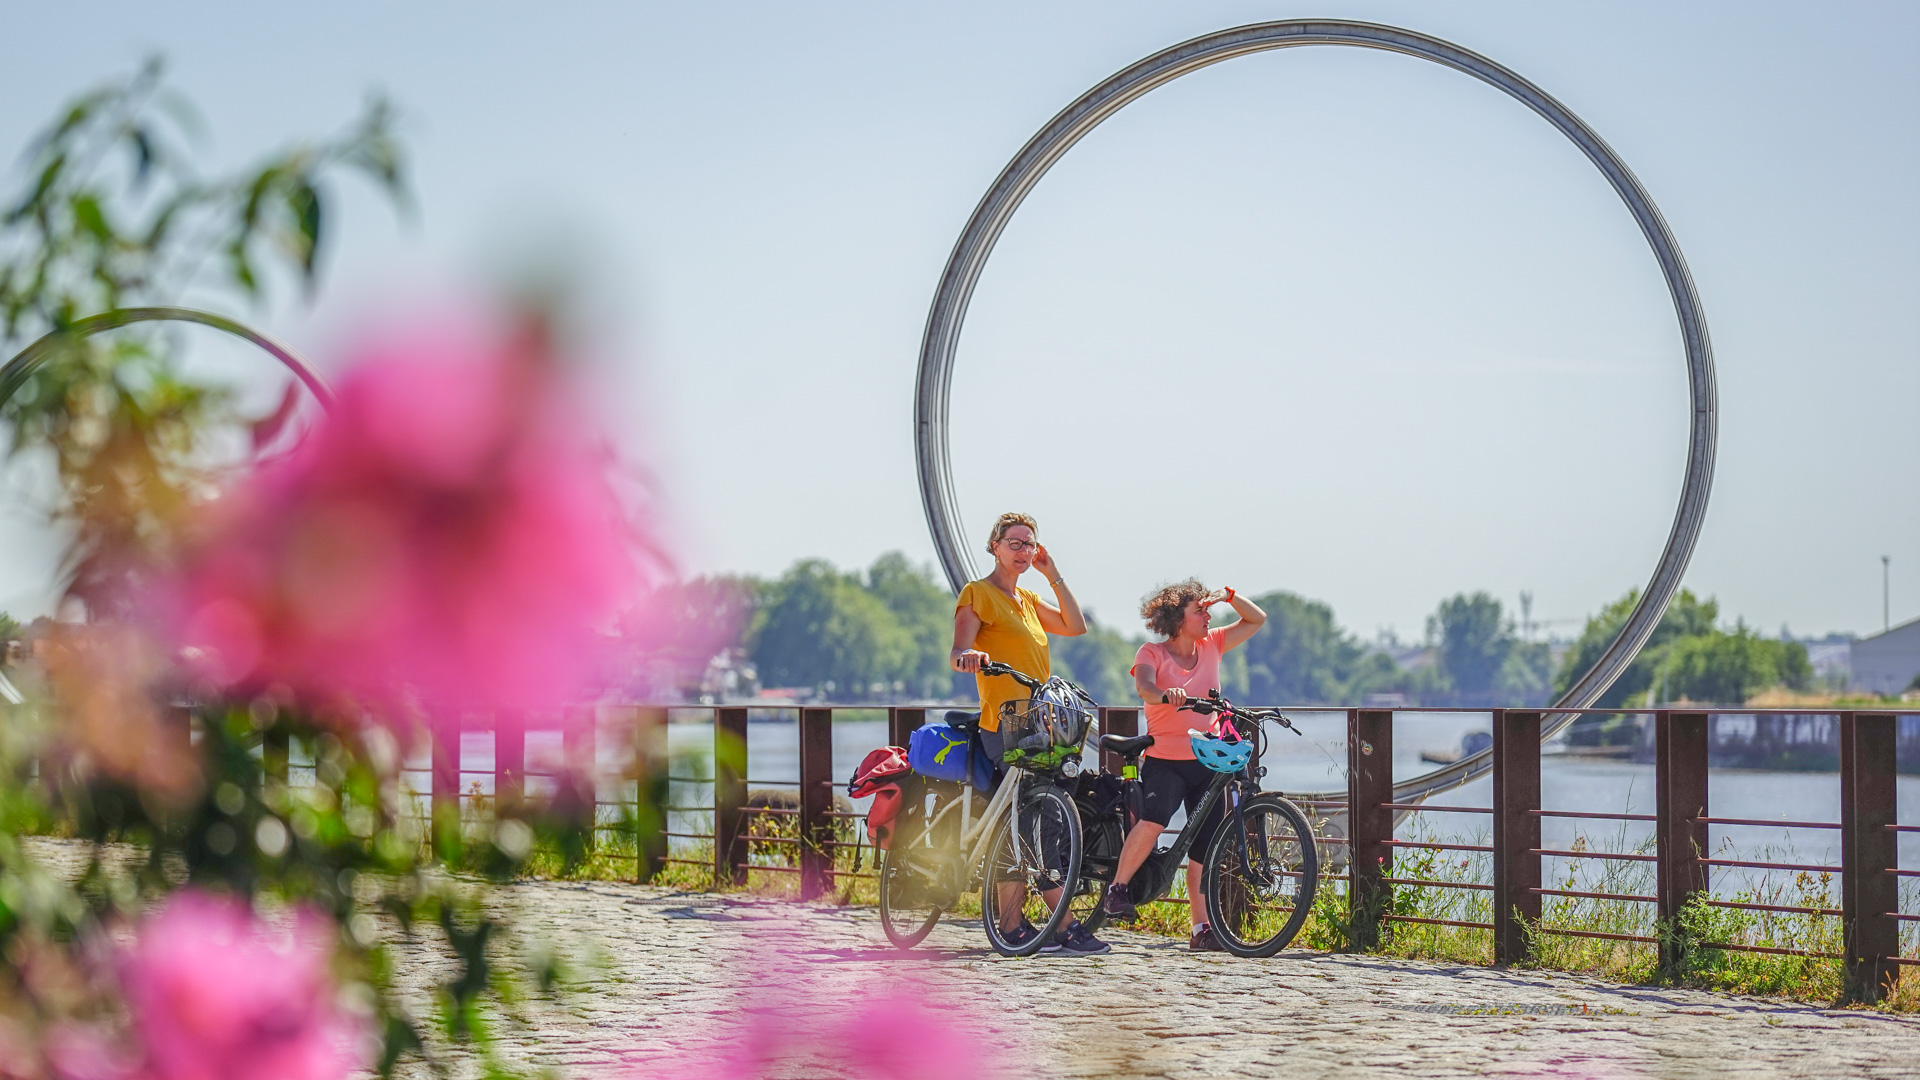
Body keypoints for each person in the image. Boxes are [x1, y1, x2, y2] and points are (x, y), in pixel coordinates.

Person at [949, 511, 1107, 954]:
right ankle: (1055, 924)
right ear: (995, 547)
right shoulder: (978, 594)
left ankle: (1020, 923)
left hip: (1042, 721)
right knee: (1037, 818)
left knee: (1038, 815)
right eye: (1014, 543)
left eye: (1029, 544)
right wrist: (971, 657)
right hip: (1005, 722)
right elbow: (958, 650)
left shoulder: (1030, 601)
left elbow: (1076, 626)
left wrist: (1053, 574)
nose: (1023, 551)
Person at [1102, 579, 1267, 951]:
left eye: (1208, 611)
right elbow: (1143, 687)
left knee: (1203, 848)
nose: (1208, 617)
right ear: (1178, 618)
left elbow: (1256, 620)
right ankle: (1118, 887)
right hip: (1165, 759)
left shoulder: (1212, 645)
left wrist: (1229, 597)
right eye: (1200, 611)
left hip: (1207, 759)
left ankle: (1200, 929)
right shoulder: (1153, 653)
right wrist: (1165, 695)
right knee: (1155, 820)